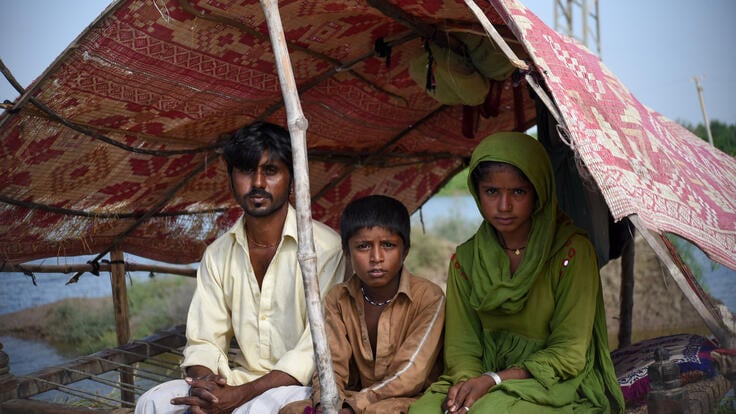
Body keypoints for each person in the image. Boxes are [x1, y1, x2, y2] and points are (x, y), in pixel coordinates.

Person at [135, 121, 346, 414]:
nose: (258, 182)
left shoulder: (324, 249)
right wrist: (206, 386)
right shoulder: (218, 254)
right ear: (231, 178)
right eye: (247, 171)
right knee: (152, 403)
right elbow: (204, 339)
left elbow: (314, 349)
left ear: (292, 177)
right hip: (236, 381)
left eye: (270, 171)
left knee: (256, 411)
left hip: (302, 387)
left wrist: (239, 397)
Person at [408, 132, 625, 413]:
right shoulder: (465, 260)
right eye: (492, 192)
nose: (504, 206)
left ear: (539, 192)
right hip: (481, 378)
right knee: (423, 411)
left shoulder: (572, 252)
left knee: (491, 411)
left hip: (553, 381)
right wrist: (465, 389)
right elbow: (462, 348)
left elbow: (569, 353)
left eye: (518, 192)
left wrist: (495, 380)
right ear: (477, 192)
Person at [280, 195, 445, 414]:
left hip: (412, 398)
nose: (376, 257)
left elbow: (410, 373)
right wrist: (325, 404)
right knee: (291, 410)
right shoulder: (338, 298)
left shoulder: (429, 297)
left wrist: (352, 407)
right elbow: (330, 366)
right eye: (363, 246)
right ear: (347, 252)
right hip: (355, 398)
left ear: (405, 251)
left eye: (388, 245)